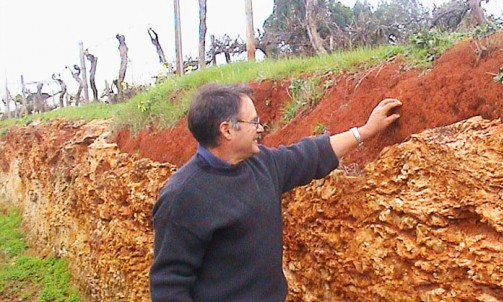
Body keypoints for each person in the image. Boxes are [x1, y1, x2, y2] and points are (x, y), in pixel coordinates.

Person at [149, 83, 402, 301]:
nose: (260, 129)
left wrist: (366, 131)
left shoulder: (261, 164)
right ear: (227, 130)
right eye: (254, 122)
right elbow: (169, 285)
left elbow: (311, 155)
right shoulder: (183, 195)